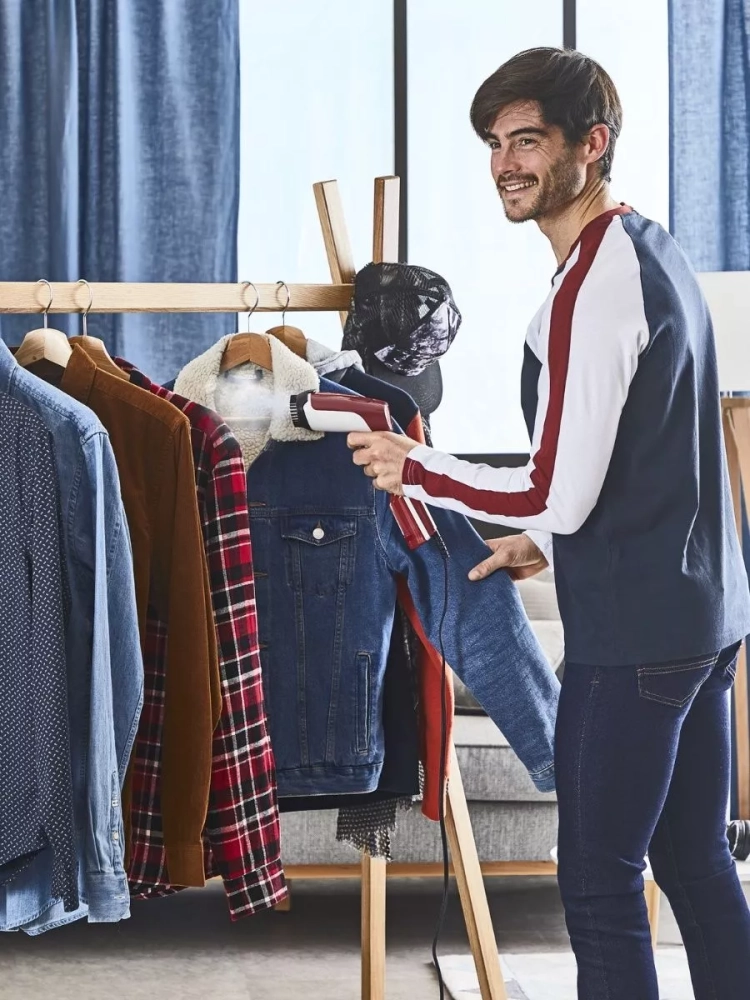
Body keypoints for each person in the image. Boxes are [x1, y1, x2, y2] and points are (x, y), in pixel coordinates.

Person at [346, 46, 750, 1000]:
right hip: (704, 619)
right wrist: (549, 543)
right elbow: (647, 454)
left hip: (638, 638)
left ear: (590, 144)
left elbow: (553, 490)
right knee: (693, 860)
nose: (505, 164)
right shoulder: (649, 247)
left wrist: (415, 466)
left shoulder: (594, 284)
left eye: (527, 140)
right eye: (495, 143)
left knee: (599, 884)